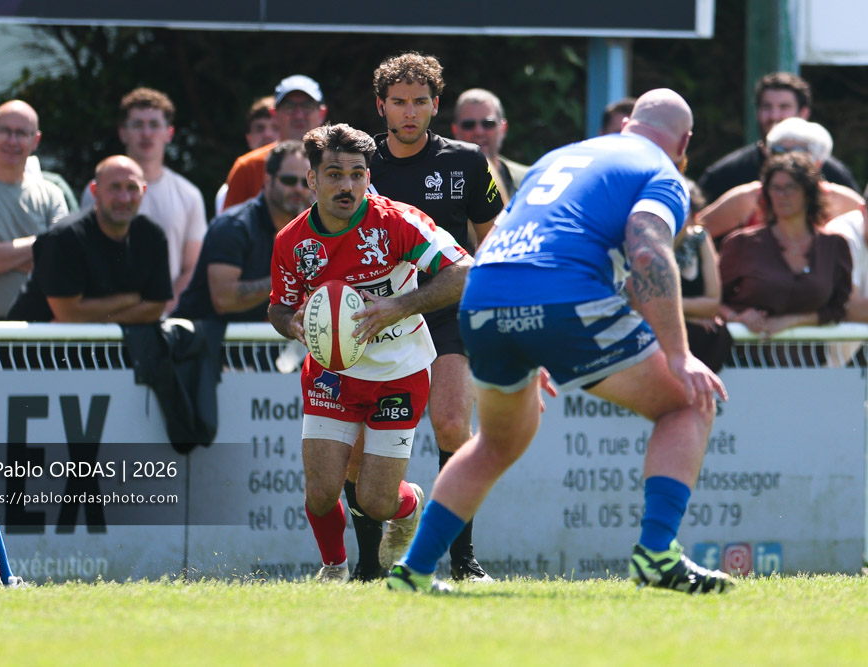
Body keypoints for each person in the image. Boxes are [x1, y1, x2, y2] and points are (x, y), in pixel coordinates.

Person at [387, 88, 735, 595]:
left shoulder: (559, 157)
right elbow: (648, 245)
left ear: (627, 125)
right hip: (559, 292)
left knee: (496, 442)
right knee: (687, 403)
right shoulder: (662, 170)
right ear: (684, 142)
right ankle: (658, 555)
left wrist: (534, 340)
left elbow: (502, 234)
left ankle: (414, 571)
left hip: (485, 293)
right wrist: (681, 356)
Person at [267, 123, 471, 583]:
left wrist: (399, 306)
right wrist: (292, 324)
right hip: (331, 373)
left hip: (399, 370)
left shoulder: (396, 221)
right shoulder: (292, 242)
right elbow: (278, 307)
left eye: (357, 173)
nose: (348, 185)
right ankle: (334, 569)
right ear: (312, 180)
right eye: (335, 174)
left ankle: (410, 503)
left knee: (378, 501)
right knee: (321, 492)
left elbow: (463, 271)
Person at [360, 52, 503, 583]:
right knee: (357, 447)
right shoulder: (359, 163)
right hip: (377, 314)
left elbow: (495, 244)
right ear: (381, 106)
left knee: (449, 423)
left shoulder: (466, 161)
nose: (409, 112)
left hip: (446, 311)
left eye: (420, 101)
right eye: (398, 102)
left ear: (436, 105)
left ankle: (462, 560)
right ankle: (366, 565)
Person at [80, 88, 208, 313]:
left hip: (167, 323)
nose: (146, 133)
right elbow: (88, 258)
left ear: (169, 133)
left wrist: (160, 308)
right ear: (123, 133)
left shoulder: (189, 195)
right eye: (138, 125)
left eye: (154, 125)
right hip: (107, 323)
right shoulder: (96, 190)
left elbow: (192, 267)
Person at [9, 156, 171, 322]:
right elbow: (69, 313)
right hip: (33, 346)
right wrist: (130, 300)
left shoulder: (153, 236)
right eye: (115, 187)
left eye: (132, 188)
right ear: (95, 190)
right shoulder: (65, 236)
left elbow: (156, 308)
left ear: (144, 190)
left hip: (103, 347)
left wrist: (99, 322)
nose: (124, 198)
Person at [717, 152, 852, 339]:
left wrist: (792, 321)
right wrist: (736, 316)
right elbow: (712, 299)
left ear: (809, 192)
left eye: (791, 187)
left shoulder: (835, 246)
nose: (782, 195)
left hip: (810, 362)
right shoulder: (741, 243)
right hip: (743, 360)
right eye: (775, 188)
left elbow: (838, 309)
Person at [0, 99, 69, 320]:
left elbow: (62, 260)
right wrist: (42, 245)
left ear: (36, 140)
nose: (12, 140)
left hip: (41, 332)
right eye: (5, 131)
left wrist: (1, 256)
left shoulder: (52, 194)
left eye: (22, 133)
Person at [175, 141, 312, 323]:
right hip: (197, 343)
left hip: (250, 344)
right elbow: (224, 299)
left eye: (306, 182)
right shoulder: (233, 225)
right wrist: (287, 278)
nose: (299, 189)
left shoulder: (306, 230)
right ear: (267, 180)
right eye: (289, 180)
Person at [699, 72, 858, 203]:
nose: (774, 116)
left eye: (784, 107)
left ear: (803, 113)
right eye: (766, 107)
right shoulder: (725, 174)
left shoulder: (833, 174)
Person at [698, 117, 864, 243]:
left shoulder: (839, 200)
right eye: (778, 152)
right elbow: (694, 233)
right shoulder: (750, 198)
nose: (786, 160)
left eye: (797, 153)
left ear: (818, 162)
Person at [221, 75, 328, 211]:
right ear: (274, 114)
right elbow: (229, 226)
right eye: (290, 106)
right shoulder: (248, 167)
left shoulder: (340, 166)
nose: (299, 114)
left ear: (322, 113)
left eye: (308, 106)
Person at [676, 181, 731, 373]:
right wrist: (690, 317)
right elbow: (636, 306)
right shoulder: (638, 243)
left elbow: (712, 304)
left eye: (680, 211)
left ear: (694, 217)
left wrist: (669, 309)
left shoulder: (700, 238)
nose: (671, 219)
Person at [451, 88, 529, 201]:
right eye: (468, 125)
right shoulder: (440, 182)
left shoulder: (528, 180)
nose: (479, 132)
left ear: (503, 128)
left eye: (488, 124)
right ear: (455, 131)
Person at [214, 96, 280, 216]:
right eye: (259, 128)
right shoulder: (224, 193)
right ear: (249, 139)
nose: (267, 134)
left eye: (275, 128)